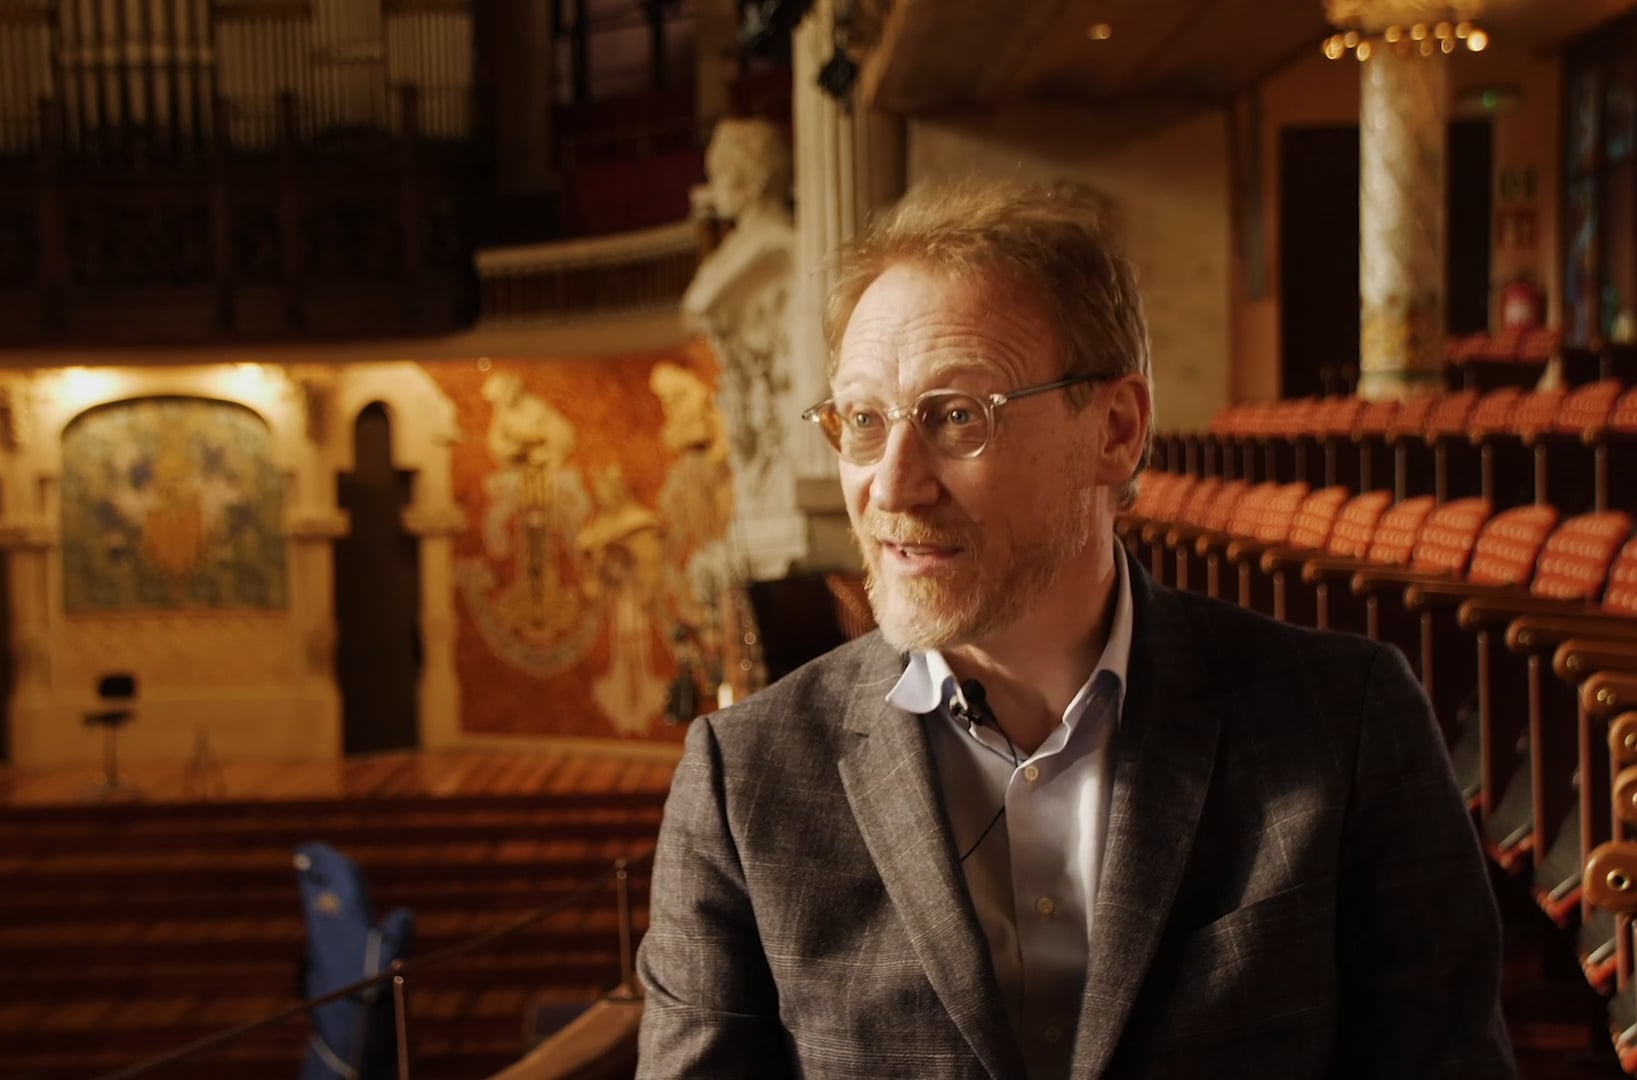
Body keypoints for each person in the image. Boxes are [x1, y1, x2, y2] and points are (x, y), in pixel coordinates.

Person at [634, 178, 1515, 1079]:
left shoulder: (1347, 725)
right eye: (863, 421)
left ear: (1118, 430)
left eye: (956, 417)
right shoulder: (743, 782)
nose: (893, 486)